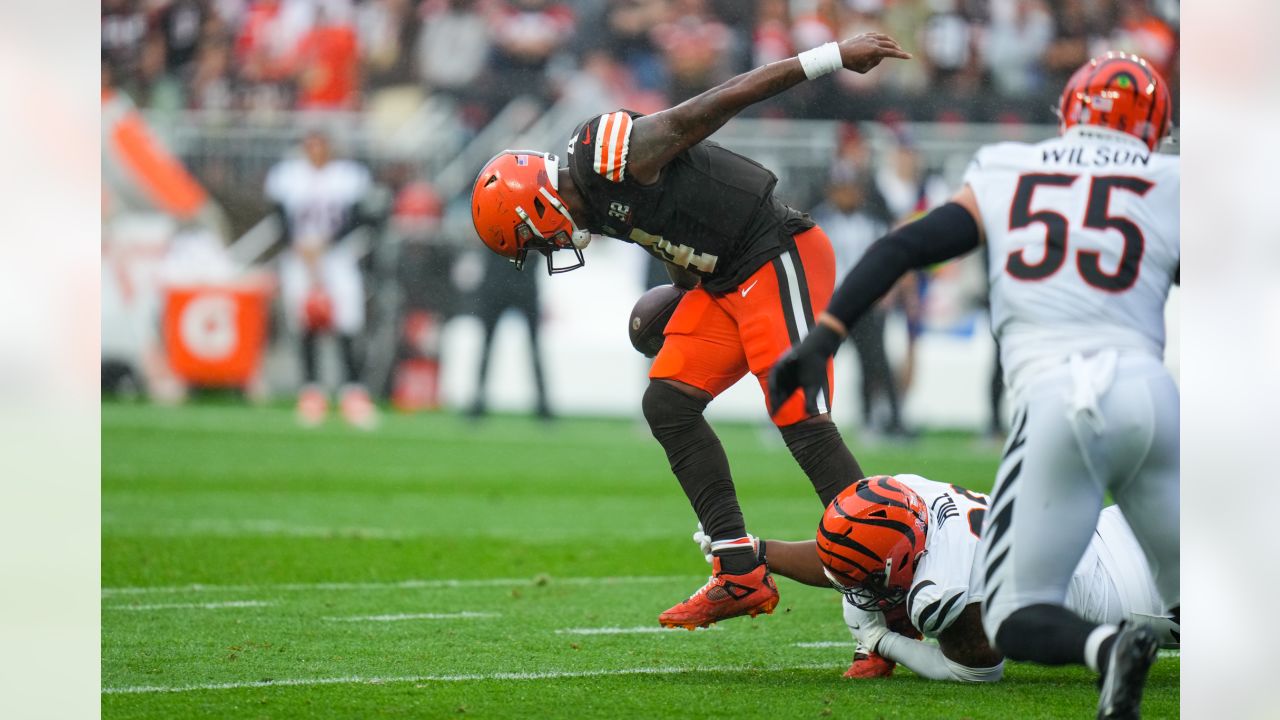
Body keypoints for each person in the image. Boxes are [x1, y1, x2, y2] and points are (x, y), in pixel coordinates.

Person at [769, 52, 1177, 719]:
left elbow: (901, 248)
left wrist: (823, 338)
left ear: (1068, 112)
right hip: (1148, 388)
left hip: (1055, 400)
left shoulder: (1008, 168)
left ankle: (1107, 647)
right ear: (1156, 126)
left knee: (1020, 614)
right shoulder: (1171, 180)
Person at [471, 33, 911, 629]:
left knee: (798, 417)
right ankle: (737, 571)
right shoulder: (594, 202)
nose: (546, 247)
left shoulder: (610, 154)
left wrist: (831, 56)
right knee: (667, 403)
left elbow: (722, 100)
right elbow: (670, 229)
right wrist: (679, 297)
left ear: (538, 207)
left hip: (774, 250)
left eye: (533, 238)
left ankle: (891, 575)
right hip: (721, 278)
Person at [695, 475, 1178, 683]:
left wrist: (880, 639)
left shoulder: (938, 594)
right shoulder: (909, 493)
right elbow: (846, 554)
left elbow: (974, 672)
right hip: (1116, 525)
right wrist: (759, 552)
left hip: (1141, 594)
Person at [266, 128, 380, 428]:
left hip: (337, 256)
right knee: (305, 322)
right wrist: (301, 247)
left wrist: (325, 244)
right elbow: (280, 217)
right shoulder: (288, 175)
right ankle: (311, 391)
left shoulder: (347, 175)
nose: (316, 150)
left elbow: (357, 217)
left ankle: (352, 391)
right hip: (299, 257)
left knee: (346, 321)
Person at [809, 161, 907, 437]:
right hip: (830, 303)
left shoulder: (874, 222)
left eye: (851, 189)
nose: (847, 195)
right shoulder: (816, 221)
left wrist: (885, 292)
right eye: (841, 189)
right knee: (815, 359)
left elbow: (888, 261)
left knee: (875, 363)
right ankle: (795, 415)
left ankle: (882, 420)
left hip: (865, 303)